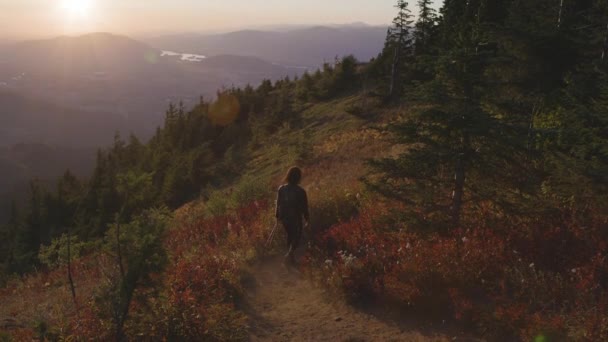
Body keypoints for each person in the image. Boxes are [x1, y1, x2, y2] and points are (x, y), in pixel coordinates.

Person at [275, 167, 309, 265]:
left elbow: (278, 203)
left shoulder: (281, 189)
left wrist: (277, 216)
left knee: (290, 236)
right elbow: (305, 207)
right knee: (297, 237)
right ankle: (289, 256)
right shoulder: (301, 191)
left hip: (284, 218)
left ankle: (291, 258)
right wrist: (307, 219)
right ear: (298, 177)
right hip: (295, 218)